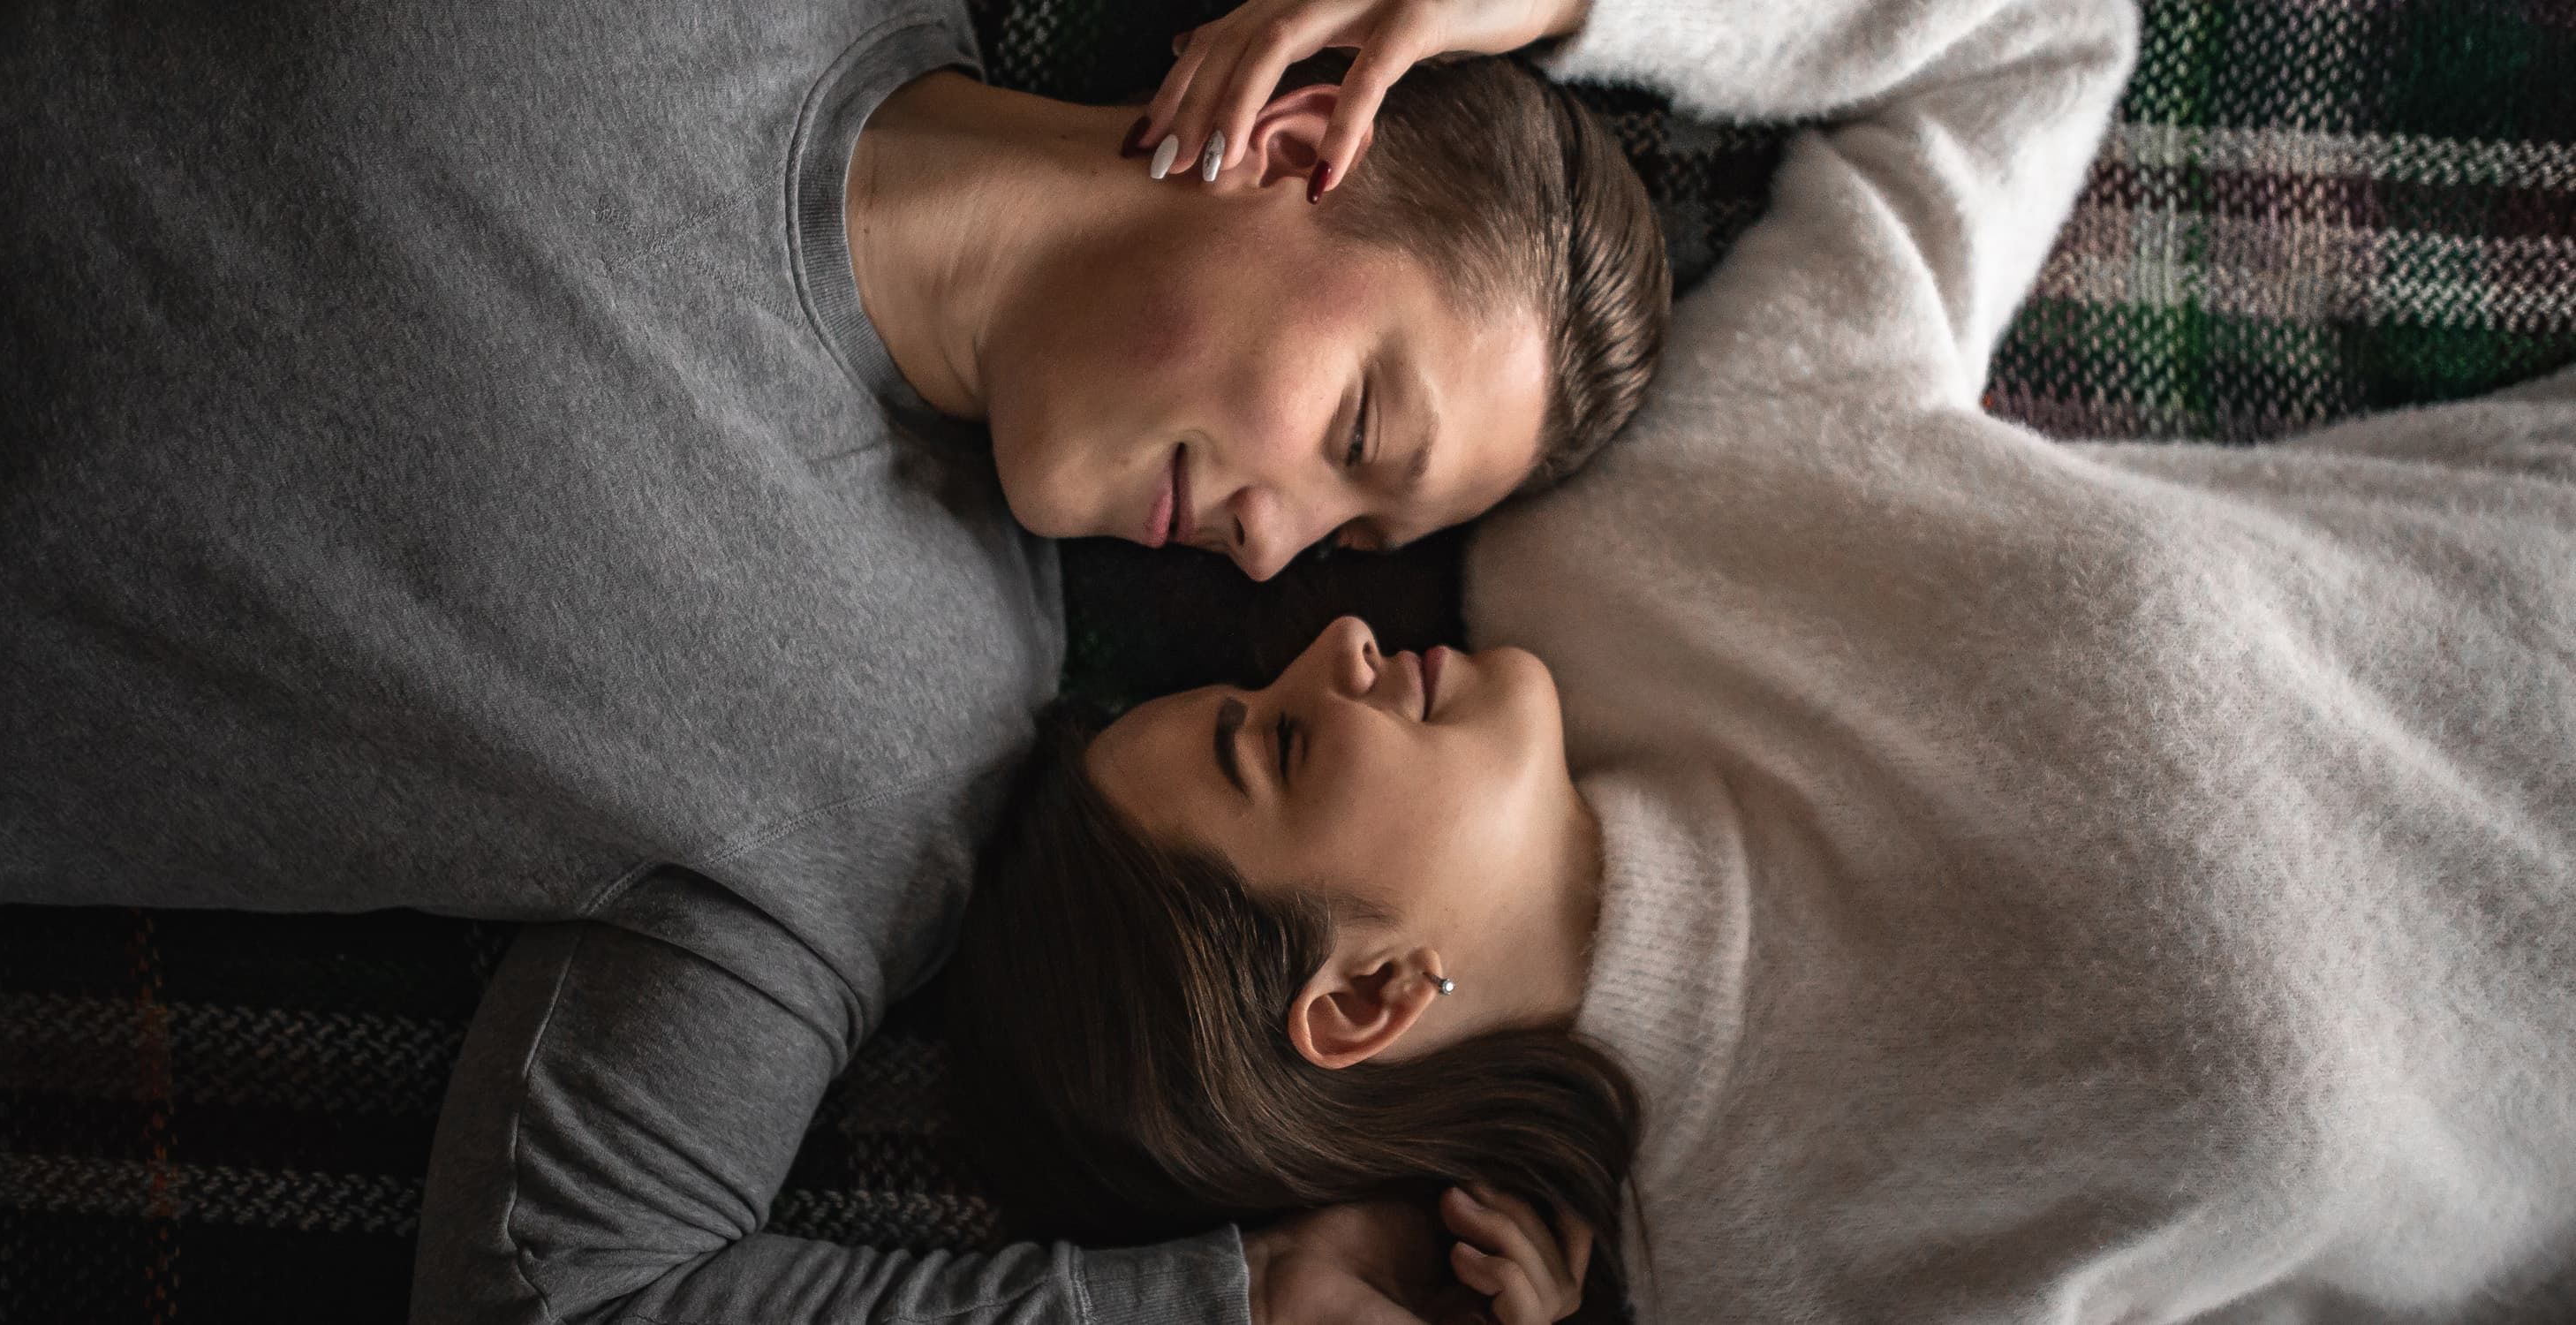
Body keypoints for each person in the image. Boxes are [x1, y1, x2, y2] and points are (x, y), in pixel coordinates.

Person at [0, 0, 1665, 1319]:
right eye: (1361, 427)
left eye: (1356, 539)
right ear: (1298, 143)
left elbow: (580, 1289)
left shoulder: (900, 756)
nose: (1278, 553)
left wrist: (1217, 1303)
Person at [950, 0, 2576, 1319]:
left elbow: (2036, 31)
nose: (1332, 641)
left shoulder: (1633, 541)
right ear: (1368, 999)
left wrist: (1557, 4)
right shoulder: (1770, 1271)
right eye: (1281, 745)